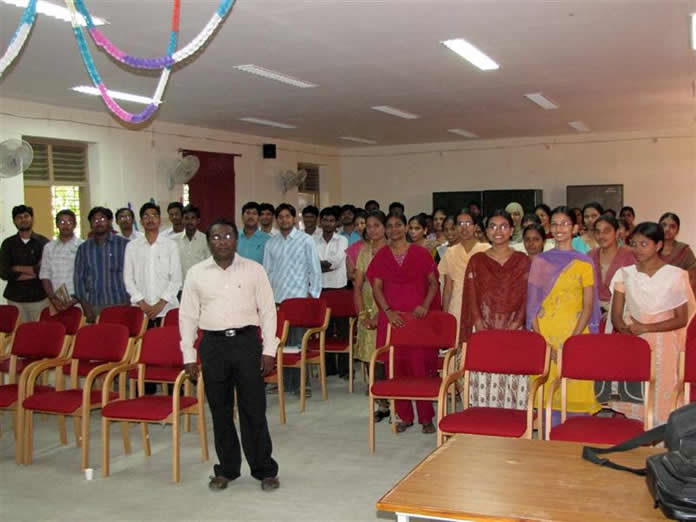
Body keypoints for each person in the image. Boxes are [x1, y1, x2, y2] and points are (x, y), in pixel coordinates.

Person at [180, 218, 280, 492]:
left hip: (247, 343)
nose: (221, 242)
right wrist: (189, 355)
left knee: (254, 409)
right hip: (213, 346)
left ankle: (264, 469)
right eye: (215, 237)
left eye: (227, 236)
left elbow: (268, 311)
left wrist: (269, 350)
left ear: (236, 240)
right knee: (220, 410)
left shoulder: (254, 270)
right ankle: (227, 469)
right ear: (208, 241)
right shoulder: (196, 273)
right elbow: (187, 315)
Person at [609, 222, 695, 424]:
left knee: (662, 399)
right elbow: (616, 316)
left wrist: (646, 328)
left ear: (658, 245)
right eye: (634, 244)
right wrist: (628, 332)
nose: (637, 249)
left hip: (665, 345)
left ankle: (662, 439)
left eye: (644, 244)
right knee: (636, 401)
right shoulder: (625, 274)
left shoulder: (675, 275)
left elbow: (681, 319)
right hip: (634, 342)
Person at [367, 213, 441, 434]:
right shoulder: (382, 255)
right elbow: (376, 287)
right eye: (390, 226)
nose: (394, 229)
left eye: (398, 225)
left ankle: (426, 418)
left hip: (418, 320)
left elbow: (433, 283)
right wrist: (388, 312)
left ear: (406, 227)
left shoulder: (420, 253)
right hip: (393, 321)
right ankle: (405, 416)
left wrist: (425, 305)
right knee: (395, 368)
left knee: (420, 368)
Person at [527, 206, 601, 419]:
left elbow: (588, 306)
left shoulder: (585, 262)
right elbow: (532, 306)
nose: (559, 228)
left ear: (575, 228)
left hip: (575, 333)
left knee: (576, 390)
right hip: (546, 334)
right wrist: (544, 344)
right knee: (547, 395)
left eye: (565, 224)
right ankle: (548, 437)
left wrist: (571, 344)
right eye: (555, 224)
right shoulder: (540, 261)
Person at [460, 211, 531, 409]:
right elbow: (471, 295)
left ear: (512, 230)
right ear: (485, 231)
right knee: (485, 382)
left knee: (512, 382)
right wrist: (479, 324)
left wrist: (515, 324)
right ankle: (484, 422)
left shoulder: (522, 260)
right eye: (492, 226)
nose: (497, 231)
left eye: (503, 226)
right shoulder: (477, 261)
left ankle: (514, 423)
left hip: (515, 330)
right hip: (483, 329)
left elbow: (527, 296)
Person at [263, 203, 322, 395]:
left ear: (294, 219)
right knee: (279, 343)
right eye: (280, 217)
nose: (284, 220)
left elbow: (315, 270)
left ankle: (302, 385)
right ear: (276, 220)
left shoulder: (306, 240)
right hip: (278, 300)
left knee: (298, 344)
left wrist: (312, 296)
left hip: (299, 300)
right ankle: (282, 382)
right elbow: (267, 272)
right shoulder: (271, 243)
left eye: (287, 216)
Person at [124, 202, 181, 327]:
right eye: (146, 216)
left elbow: (176, 279)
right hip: (141, 310)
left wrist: (160, 305)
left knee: (167, 339)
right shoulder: (132, 247)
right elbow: (128, 279)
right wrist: (142, 303)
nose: (150, 219)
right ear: (141, 221)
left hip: (167, 308)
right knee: (142, 339)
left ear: (159, 220)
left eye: (154, 215)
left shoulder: (171, 245)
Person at [353, 211, 388, 416]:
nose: (372, 230)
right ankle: (381, 402)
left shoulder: (392, 250)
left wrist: (381, 314)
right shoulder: (364, 251)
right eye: (369, 226)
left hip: (388, 305)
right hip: (367, 304)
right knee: (368, 355)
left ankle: (392, 398)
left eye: (377, 225)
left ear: (385, 227)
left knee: (385, 354)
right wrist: (362, 315)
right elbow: (357, 285)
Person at [439, 210, 490, 339]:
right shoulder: (450, 252)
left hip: (480, 306)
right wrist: (445, 315)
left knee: (479, 344)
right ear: (456, 227)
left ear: (475, 226)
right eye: (460, 224)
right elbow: (448, 288)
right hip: (456, 306)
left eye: (468, 223)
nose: (464, 227)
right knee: (457, 344)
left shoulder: (486, 250)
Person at [74, 207, 130, 323]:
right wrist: (86, 307)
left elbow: (134, 275)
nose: (99, 222)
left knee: (121, 334)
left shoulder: (124, 245)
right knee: (98, 335)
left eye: (103, 219)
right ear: (90, 224)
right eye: (95, 220)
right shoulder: (84, 248)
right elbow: (78, 279)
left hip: (121, 303)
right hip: (94, 305)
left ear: (110, 221)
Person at [0, 205, 49, 322]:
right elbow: (4, 273)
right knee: (19, 331)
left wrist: (16, 268)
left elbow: (44, 271)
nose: (23, 219)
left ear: (32, 219)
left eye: (26, 216)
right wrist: (33, 272)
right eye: (19, 217)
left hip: (39, 299)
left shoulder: (43, 242)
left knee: (39, 331)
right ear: (14, 221)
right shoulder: (7, 244)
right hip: (15, 299)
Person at [588, 215, 636, 313]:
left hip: (622, 310)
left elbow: (635, 290)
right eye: (597, 232)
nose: (601, 236)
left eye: (606, 231)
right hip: (593, 310)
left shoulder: (630, 255)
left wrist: (613, 312)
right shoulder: (590, 255)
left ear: (617, 233)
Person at [40, 209, 83, 313]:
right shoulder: (49, 247)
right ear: (57, 224)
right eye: (62, 222)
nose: (66, 225)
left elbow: (87, 276)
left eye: (69, 222)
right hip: (55, 302)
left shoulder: (82, 246)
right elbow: (45, 275)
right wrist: (53, 298)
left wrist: (73, 300)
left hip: (79, 301)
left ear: (75, 224)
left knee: (78, 324)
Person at [658, 212, 696, 293]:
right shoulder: (651, 249)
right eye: (663, 225)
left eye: (672, 226)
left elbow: (692, 278)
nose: (667, 229)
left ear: (677, 231)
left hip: (679, 295)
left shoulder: (684, 251)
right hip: (653, 295)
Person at [315, 207, 348, 290]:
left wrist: (317, 266)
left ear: (336, 223)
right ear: (320, 222)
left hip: (338, 286)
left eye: (331, 221)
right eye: (325, 220)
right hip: (318, 286)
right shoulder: (312, 240)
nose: (328, 224)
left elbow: (337, 261)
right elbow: (309, 262)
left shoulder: (342, 240)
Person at [175, 204, 210, 283]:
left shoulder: (206, 240)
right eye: (186, 218)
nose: (189, 222)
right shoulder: (174, 241)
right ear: (182, 220)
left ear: (198, 220)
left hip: (200, 285)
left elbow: (209, 265)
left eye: (193, 218)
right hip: (179, 286)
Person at [345, 209, 368, 282]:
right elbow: (349, 274)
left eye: (362, 223)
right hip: (361, 285)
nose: (359, 226)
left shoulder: (378, 244)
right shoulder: (353, 248)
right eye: (356, 225)